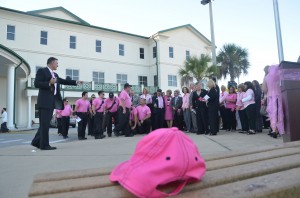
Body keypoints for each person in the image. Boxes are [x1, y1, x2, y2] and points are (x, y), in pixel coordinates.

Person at [31, 57, 80, 150]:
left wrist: (76, 82)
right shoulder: (42, 71)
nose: (58, 65)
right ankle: (44, 145)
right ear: (51, 63)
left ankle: (37, 142)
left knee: (44, 125)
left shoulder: (55, 74)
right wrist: (49, 83)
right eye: (57, 63)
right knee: (45, 125)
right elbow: (36, 83)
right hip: (44, 102)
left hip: (51, 103)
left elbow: (64, 81)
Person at [262, 65, 284, 138]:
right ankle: (280, 130)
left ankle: (274, 130)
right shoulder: (278, 74)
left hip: (270, 97)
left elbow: (264, 89)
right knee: (279, 113)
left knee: (272, 114)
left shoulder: (266, 77)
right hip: (279, 96)